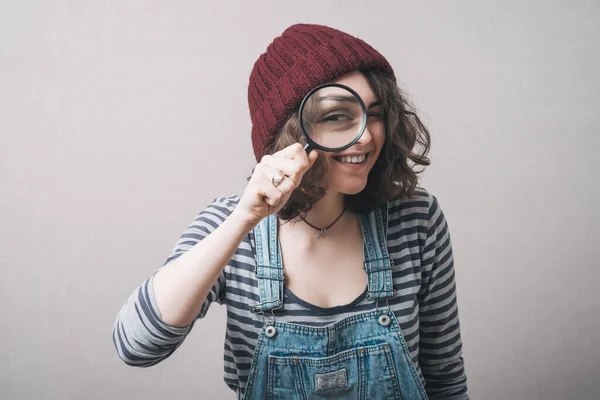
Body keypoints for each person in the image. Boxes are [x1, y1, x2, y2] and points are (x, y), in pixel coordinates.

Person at [113, 23, 469, 400]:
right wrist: (242, 221)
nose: (365, 137)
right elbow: (136, 346)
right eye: (337, 116)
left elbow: (445, 379)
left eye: (375, 114)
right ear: (291, 133)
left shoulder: (417, 220)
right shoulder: (232, 227)